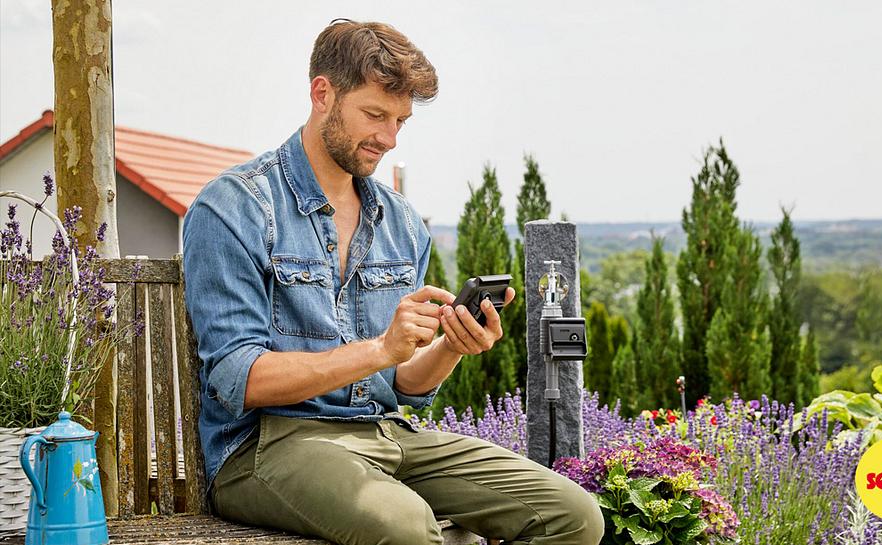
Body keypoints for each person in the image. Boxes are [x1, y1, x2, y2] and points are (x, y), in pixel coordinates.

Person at [182, 19, 604, 545]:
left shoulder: (400, 222)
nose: (388, 137)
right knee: (407, 528)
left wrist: (451, 345)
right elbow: (238, 377)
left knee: (573, 514)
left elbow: (402, 384)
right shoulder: (235, 206)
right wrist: (381, 348)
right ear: (322, 94)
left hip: (386, 434)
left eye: (400, 120)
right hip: (265, 446)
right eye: (375, 115)